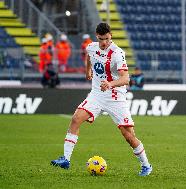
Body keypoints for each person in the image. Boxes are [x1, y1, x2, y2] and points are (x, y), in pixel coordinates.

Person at [50, 22, 152, 176]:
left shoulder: (117, 53)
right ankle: (65, 159)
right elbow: (90, 58)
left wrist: (110, 83)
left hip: (115, 97)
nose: (103, 42)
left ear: (110, 35)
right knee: (76, 119)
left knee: (129, 136)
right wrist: (87, 71)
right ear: (96, 37)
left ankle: (146, 165)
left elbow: (126, 79)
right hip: (96, 95)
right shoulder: (91, 47)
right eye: (100, 39)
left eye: (106, 39)